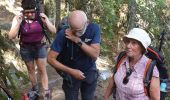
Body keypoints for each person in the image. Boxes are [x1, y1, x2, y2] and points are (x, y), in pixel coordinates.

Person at [47, 10, 101, 100]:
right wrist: (71, 71)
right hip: (70, 74)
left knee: (88, 97)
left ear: (86, 23)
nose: (75, 32)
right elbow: (50, 59)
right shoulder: (63, 34)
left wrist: (77, 40)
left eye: (78, 30)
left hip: (89, 71)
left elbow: (95, 54)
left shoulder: (94, 29)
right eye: (72, 29)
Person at [8, 0, 56, 99]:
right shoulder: (18, 18)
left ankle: (46, 93)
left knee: (42, 69)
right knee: (31, 69)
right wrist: (18, 23)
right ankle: (35, 90)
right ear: (23, 11)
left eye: (32, 12)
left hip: (40, 47)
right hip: (26, 48)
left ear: (35, 10)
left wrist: (46, 21)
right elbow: (11, 36)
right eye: (27, 12)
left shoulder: (40, 16)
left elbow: (53, 31)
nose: (30, 14)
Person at [104, 28, 160, 100]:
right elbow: (113, 78)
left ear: (142, 48)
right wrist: (105, 97)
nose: (128, 46)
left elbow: (155, 98)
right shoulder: (121, 58)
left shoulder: (150, 68)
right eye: (128, 42)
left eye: (134, 43)